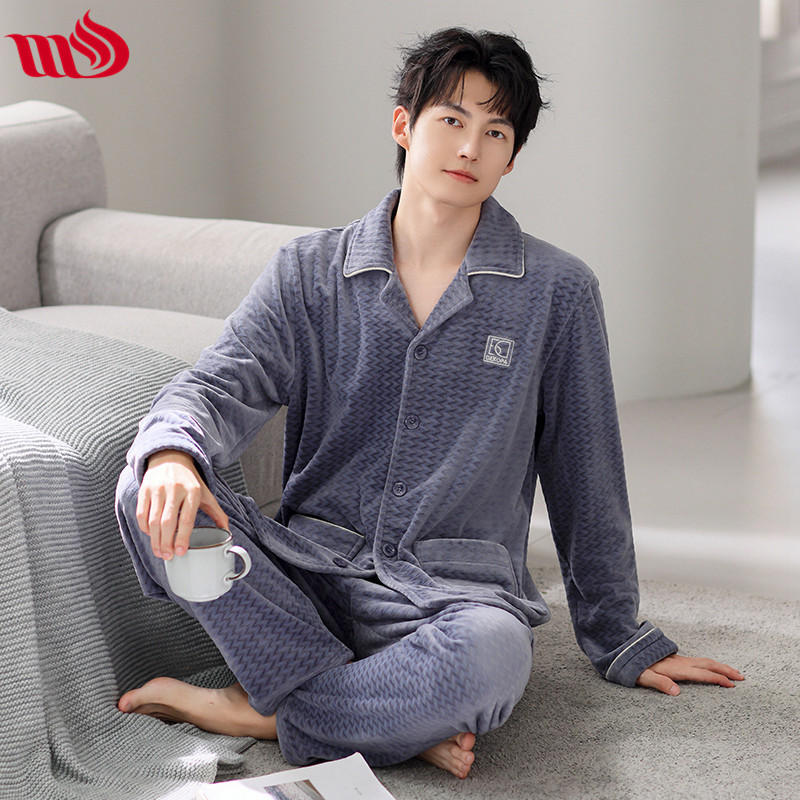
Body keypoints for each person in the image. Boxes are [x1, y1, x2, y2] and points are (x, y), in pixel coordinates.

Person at [115, 27, 743, 780]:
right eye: (451, 119)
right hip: (307, 577)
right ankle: (382, 713)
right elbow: (216, 386)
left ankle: (271, 710)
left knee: (492, 659)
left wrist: (619, 636)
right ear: (403, 125)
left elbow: (586, 471)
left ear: (512, 158)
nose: (470, 147)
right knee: (145, 484)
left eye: (496, 131)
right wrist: (173, 454)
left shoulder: (558, 292)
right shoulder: (308, 272)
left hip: (451, 598)